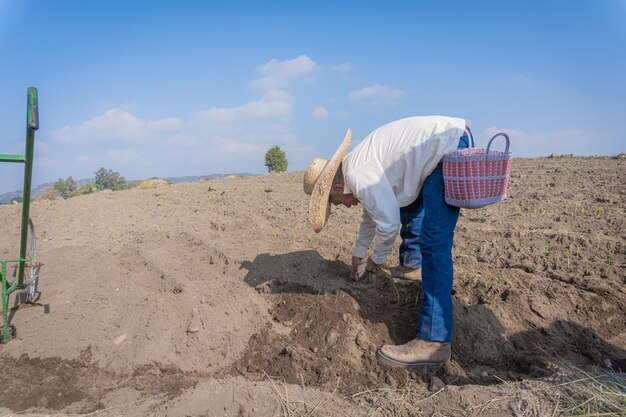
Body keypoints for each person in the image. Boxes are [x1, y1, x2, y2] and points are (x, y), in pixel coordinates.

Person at [303, 116, 471, 368]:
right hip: (445, 141)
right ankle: (413, 266)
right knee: (409, 206)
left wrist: (375, 261)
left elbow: (388, 224)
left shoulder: (357, 174)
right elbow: (372, 212)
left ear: (338, 186)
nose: (344, 206)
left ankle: (434, 341)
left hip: (445, 148)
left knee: (434, 243)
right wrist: (358, 253)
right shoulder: (355, 168)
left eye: (337, 203)